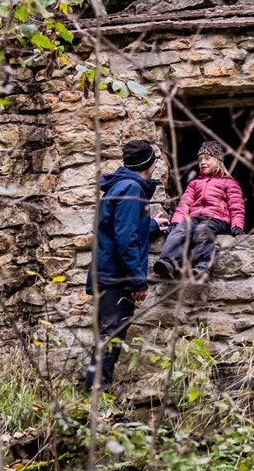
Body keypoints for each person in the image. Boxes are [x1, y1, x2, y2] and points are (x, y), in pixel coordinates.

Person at [82, 139, 163, 391]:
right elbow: (125, 238)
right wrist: (137, 280)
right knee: (111, 339)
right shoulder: (132, 189)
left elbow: (119, 228)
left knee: (108, 337)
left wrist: (153, 225)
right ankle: (96, 398)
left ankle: (96, 396)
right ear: (148, 164)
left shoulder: (120, 186)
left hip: (108, 274)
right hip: (117, 278)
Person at [155, 139, 245, 281]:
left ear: (218, 160)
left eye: (207, 158)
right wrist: (175, 222)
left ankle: (202, 266)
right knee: (180, 231)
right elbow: (184, 205)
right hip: (195, 218)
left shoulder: (229, 182)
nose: (202, 162)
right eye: (200, 159)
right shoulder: (194, 183)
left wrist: (237, 225)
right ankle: (168, 262)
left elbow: (236, 207)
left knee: (203, 230)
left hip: (216, 219)